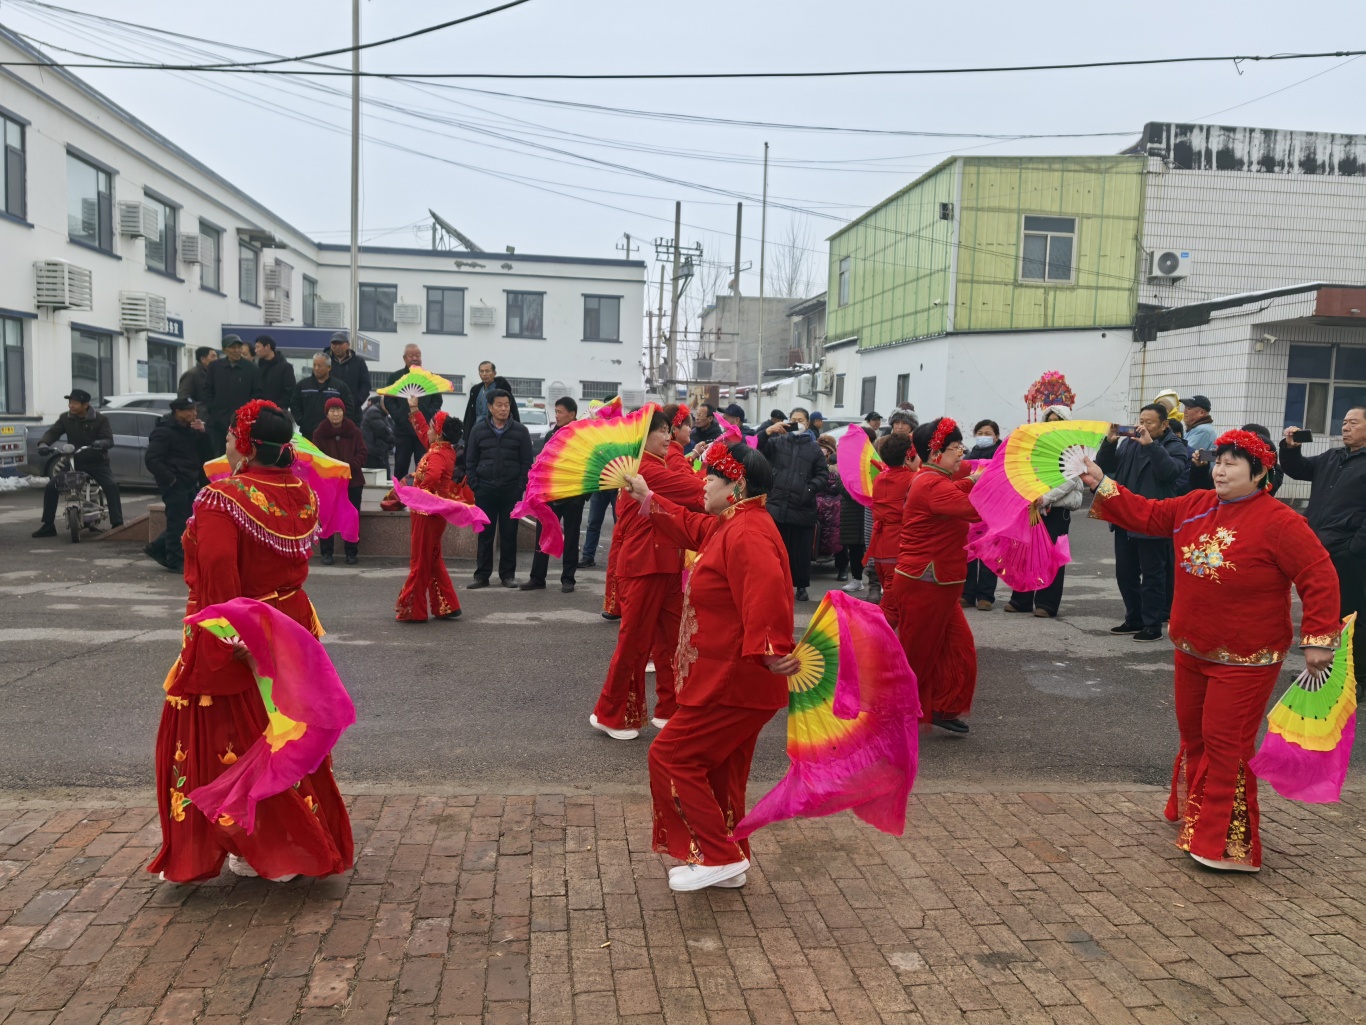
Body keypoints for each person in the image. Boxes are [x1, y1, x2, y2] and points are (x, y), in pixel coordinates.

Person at [1082, 430, 1339, 873]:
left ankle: (1228, 846)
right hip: (1192, 647)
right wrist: (1100, 481)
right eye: (1219, 461)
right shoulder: (1195, 504)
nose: (1220, 470)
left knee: (1226, 743)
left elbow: (1318, 575)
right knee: (1195, 736)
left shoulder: (1281, 522)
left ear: (1259, 473)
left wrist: (1318, 638)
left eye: (1232, 463)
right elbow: (1146, 513)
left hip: (1246, 657)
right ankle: (1198, 816)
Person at [147, 400, 352, 883]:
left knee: (232, 734)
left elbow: (219, 574)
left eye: (228, 435)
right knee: (285, 728)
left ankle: (262, 843)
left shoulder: (222, 498)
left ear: (244, 444)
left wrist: (225, 636)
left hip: (241, 630)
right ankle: (294, 841)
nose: (223, 442)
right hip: (290, 627)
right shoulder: (300, 490)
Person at [617, 441, 799, 891]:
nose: (702, 483)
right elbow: (692, 525)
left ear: (737, 485)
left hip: (733, 680)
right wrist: (647, 497)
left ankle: (717, 855)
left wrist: (772, 649)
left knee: (671, 757)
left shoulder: (746, 532)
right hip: (732, 678)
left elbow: (765, 591)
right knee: (721, 771)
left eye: (711, 478)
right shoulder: (734, 523)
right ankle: (729, 857)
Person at [590, 409, 706, 741]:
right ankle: (611, 714)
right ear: (644, 437)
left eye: (669, 430)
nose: (668, 437)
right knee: (635, 643)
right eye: (662, 431)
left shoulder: (656, 466)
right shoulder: (645, 470)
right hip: (643, 566)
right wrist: (724, 482)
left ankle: (671, 709)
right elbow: (695, 491)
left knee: (673, 641)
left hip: (666, 563)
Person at [884, 418, 982, 734]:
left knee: (959, 649)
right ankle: (890, 716)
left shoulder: (933, 479)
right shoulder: (931, 484)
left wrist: (976, 478)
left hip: (939, 582)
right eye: (955, 448)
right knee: (918, 655)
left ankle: (942, 706)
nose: (961, 453)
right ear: (936, 452)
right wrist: (1007, 492)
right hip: (926, 582)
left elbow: (954, 491)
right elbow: (973, 508)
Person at [1281, 405, 1366, 688]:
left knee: (1351, 616)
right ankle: (1325, 675)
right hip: (1320, 548)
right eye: (1344, 422)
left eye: (1353, 423)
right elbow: (1298, 469)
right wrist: (1290, 449)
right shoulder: (1333, 456)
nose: (1345, 427)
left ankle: (1354, 679)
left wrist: (1355, 548)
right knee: (1324, 613)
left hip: (1349, 552)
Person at [1095, 404, 1191, 641]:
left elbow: (1171, 472)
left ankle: (1152, 625)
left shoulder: (1174, 446)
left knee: (1152, 575)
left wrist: (1151, 445)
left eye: (1149, 422)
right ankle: (1134, 618)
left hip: (1153, 518)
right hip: (1125, 516)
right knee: (1125, 573)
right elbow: (1106, 467)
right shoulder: (1129, 443)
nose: (1143, 426)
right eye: (1141, 421)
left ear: (1164, 424)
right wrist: (1109, 442)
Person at [1003, 406, 1084, 618]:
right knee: (1026, 552)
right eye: (1049, 420)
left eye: (1058, 420)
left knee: (1052, 556)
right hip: (1033, 507)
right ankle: (1021, 600)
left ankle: (1047, 604)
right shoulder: (1037, 446)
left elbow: (1070, 479)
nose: (1052, 423)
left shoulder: (1073, 449)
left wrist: (1045, 497)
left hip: (1056, 509)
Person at [395, 399, 465, 623]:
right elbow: (424, 433)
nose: (430, 430)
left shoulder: (436, 455)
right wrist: (414, 409)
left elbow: (432, 477)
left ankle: (414, 610)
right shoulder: (443, 449)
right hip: (434, 513)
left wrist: (416, 487)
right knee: (432, 559)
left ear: (440, 433)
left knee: (420, 560)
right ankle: (447, 605)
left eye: (433, 427)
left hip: (427, 513)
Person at [465, 388, 533, 588]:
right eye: (499, 405)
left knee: (509, 534)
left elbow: (526, 463)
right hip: (485, 490)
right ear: (490, 407)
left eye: (507, 405)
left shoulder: (520, 431)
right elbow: (470, 461)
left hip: (511, 491)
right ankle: (482, 575)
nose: (504, 409)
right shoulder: (478, 430)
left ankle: (508, 575)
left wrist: (519, 486)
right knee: (485, 535)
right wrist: (476, 486)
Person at [32, 389, 123, 536]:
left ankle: (118, 524)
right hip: (75, 461)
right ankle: (48, 525)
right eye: (70, 402)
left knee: (111, 486)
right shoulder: (65, 418)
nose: (71, 406)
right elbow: (53, 432)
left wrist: (101, 443)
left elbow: (109, 440)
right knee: (51, 486)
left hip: (97, 462)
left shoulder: (100, 419)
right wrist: (43, 443)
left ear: (85, 405)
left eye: (75, 403)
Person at [762, 408, 829, 602]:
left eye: (800, 419)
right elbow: (756, 448)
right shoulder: (777, 442)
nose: (796, 422)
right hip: (777, 505)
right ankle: (777, 584)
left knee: (801, 551)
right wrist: (768, 431)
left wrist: (808, 489)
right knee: (776, 550)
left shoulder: (814, 448)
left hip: (802, 507)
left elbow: (822, 475)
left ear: (807, 423)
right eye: (793, 419)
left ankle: (801, 586)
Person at [523, 397, 586, 593]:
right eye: (556, 411)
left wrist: (584, 495)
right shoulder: (551, 434)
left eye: (560, 412)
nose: (556, 415)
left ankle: (568, 578)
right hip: (550, 495)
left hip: (574, 495)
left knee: (572, 538)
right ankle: (537, 577)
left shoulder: (583, 436)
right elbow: (544, 463)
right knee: (543, 535)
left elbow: (590, 467)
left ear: (572, 414)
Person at [143, 396, 212, 572]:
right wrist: (171, 479)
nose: (194, 413)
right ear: (178, 412)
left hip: (190, 480)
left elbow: (206, 452)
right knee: (177, 523)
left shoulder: (191, 430)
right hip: (174, 483)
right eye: (190, 410)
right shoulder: (164, 431)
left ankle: (157, 547)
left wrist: (203, 433)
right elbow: (152, 459)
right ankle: (175, 560)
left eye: (195, 409)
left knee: (189, 520)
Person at [866, 433, 919, 617]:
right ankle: (871, 634)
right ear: (907, 457)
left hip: (880, 546)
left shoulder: (880, 478)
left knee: (893, 601)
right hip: (899, 547)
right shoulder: (914, 479)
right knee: (893, 607)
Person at [312, 398, 367, 565]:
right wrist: (332, 469)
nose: (335, 414)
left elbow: (362, 452)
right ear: (326, 413)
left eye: (338, 410)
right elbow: (316, 457)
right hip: (329, 484)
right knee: (326, 516)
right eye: (332, 410)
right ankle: (326, 553)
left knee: (352, 516)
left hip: (352, 481)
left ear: (343, 412)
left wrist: (350, 466)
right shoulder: (319, 433)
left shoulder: (354, 431)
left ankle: (351, 552)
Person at [960, 420, 1004, 611]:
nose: (983, 436)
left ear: (996, 436)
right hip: (972, 509)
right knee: (970, 553)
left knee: (989, 554)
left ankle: (986, 596)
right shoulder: (968, 456)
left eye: (988, 433)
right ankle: (967, 594)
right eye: (980, 433)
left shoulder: (1001, 458)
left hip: (993, 510)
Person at [383, 345, 442, 478]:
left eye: (418, 355)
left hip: (424, 430)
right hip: (402, 430)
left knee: (423, 467)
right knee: (401, 465)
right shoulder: (396, 377)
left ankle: (420, 490)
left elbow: (437, 400)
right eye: (411, 356)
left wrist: (428, 415)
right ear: (404, 358)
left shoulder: (429, 377)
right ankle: (399, 490)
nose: (415, 358)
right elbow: (388, 400)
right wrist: (398, 416)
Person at [203, 335, 260, 455]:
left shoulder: (251, 369)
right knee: (218, 454)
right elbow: (208, 391)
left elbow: (256, 393)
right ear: (224, 349)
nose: (237, 350)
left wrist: (248, 414)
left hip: (241, 422)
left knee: (240, 454)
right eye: (233, 347)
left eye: (239, 347)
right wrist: (212, 408)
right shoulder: (215, 367)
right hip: (217, 422)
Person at [834, 429, 871, 593]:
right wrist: (856, 492)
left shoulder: (872, 458)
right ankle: (857, 579)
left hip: (869, 508)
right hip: (851, 510)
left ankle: (879, 582)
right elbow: (840, 483)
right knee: (855, 548)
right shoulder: (846, 461)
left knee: (873, 548)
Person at [292, 353, 356, 438]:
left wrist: (338, 423)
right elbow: (294, 404)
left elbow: (349, 407)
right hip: (308, 434)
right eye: (314, 365)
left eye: (319, 365)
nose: (316, 368)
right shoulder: (302, 386)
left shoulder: (340, 387)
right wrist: (301, 421)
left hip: (332, 435)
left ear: (329, 367)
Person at [462, 360, 520, 439]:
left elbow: (513, 411)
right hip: (476, 431)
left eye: (487, 371)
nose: (484, 374)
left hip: (494, 432)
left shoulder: (502, 390)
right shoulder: (476, 390)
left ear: (494, 373)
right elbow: (469, 414)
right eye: (481, 371)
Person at [325, 331, 371, 413]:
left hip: (352, 412)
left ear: (348, 345)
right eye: (334, 344)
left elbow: (365, 386)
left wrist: (355, 402)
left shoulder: (358, 362)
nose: (337, 347)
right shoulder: (324, 360)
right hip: (327, 411)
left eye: (340, 343)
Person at [814, 434, 843, 563]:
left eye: (825, 450)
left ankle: (840, 562)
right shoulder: (814, 462)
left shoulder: (838, 465)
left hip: (834, 502)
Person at [254, 335, 295, 409]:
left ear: (267, 347)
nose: (255, 350)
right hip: (259, 411)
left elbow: (290, 392)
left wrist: (275, 407)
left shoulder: (285, 367)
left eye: (258, 347)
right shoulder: (257, 368)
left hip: (278, 412)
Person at [177, 346, 217, 420]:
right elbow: (184, 399)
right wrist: (201, 411)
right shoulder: (191, 374)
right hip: (199, 418)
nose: (216, 359)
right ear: (203, 359)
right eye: (213, 356)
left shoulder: (214, 374)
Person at [361, 396, 395, 471]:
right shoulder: (374, 412)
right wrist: (396, 440)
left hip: (378, 453)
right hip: (373, 454)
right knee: (383, 476)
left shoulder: (381, 413)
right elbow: (384, 432)